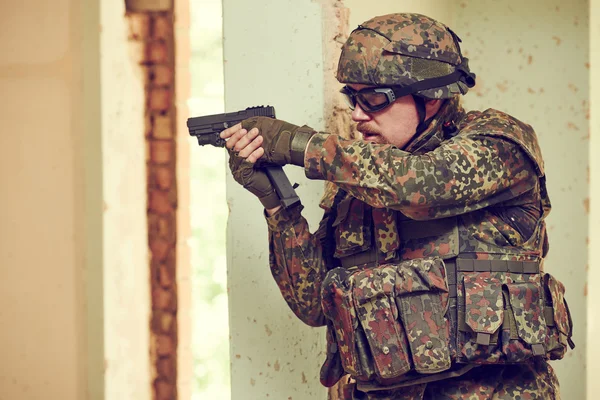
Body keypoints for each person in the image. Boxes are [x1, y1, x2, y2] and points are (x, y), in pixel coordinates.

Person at [220, 13, 575, 399]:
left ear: (432, 96)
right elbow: (314, 306)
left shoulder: (498, 143)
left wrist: (301, 144)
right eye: (352, 98)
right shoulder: (359, 186)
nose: (357, 115)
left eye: (374, 98)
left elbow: (423, 183)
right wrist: (277, 203)